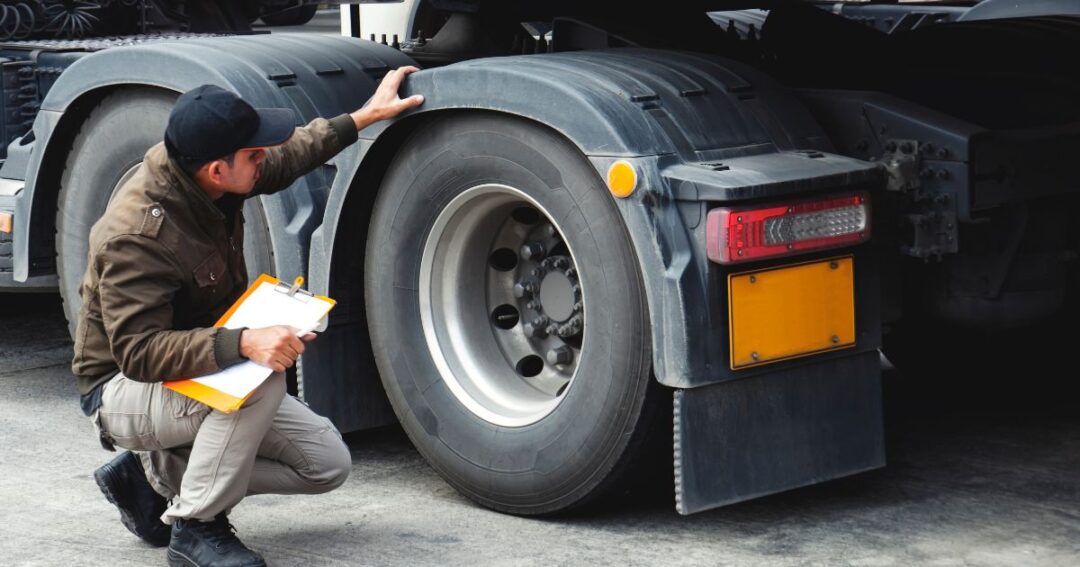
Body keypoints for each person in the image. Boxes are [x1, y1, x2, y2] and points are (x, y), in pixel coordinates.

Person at [71, 68, 424, 566]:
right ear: (218, 169)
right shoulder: (138, 236)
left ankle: (151, 479)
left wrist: (364, 116)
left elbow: (290, 154)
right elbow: (139, 352)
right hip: (121, 387)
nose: (264, 162)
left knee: (326, 464)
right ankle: (195, 527)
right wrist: (244, 343)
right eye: (254, 155)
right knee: (259, 381)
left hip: (185, 369)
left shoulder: (210, 177)